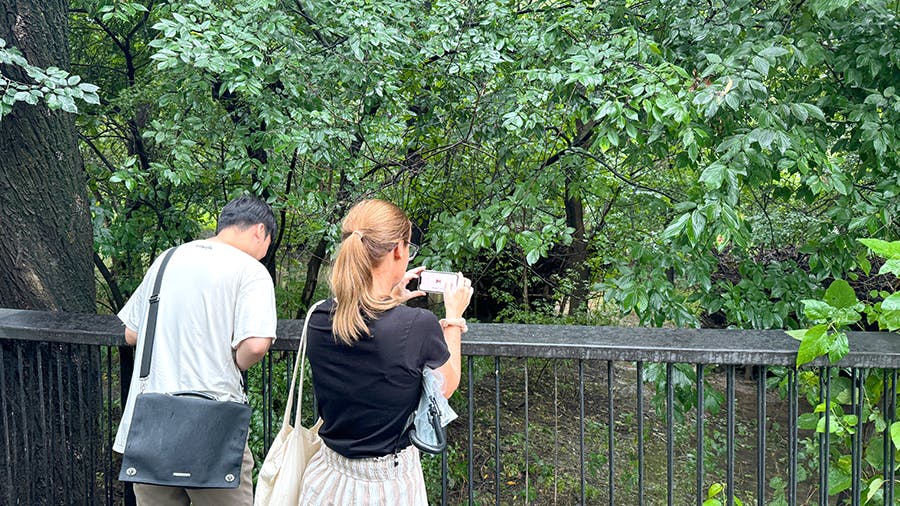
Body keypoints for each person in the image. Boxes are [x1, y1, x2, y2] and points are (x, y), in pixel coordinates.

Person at [299, 199, 473, 505]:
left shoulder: (318, 318)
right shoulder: (418, 325)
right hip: (386, 487)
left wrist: (391, 298)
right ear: (397, 250)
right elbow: (445, 386)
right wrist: (454, 319)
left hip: (325, 479)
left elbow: (369, 328)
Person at [115, 196, 278, 506]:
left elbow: (132, 333)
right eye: (268, 243)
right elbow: (255, 345)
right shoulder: (250, 270)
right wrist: (235, 360)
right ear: (260, 231)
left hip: (152, 424)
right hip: (213, 426)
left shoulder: (167, 259)